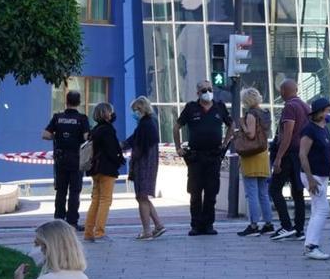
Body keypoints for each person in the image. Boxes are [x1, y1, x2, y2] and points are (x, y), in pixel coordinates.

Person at [173, 80, 233, 236]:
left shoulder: (219, 107)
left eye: (210, 89)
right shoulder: (191, 108)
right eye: (204, 89)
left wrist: (225, 142)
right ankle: (196, 225)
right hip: (195, 156)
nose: (208, 92)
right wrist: (178, 147)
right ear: (198, 93)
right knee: (195, 192)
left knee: (211, 192)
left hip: (213, 156)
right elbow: (176, 126)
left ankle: (208, 225)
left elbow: (231, 125)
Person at [269, 79, 310, 241]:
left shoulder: (290, 107)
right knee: (297, 191)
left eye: (281, 91)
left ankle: (286, 225)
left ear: (284, 91)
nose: (280, 93)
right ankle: (299, 229)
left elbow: (288, 134)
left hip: (289, 154)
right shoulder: (306, 107)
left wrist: (278, 157)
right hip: (301, 153)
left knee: (274, 188)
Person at [43, 90, 90, 231]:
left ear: (66, 101)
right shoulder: (82, 118)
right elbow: (87, 137)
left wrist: (58, 138)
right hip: (76, 159)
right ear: (79, 102)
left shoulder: (57, 117)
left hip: (61, 159)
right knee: (75, 192)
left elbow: (45, 135)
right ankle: (72, 222)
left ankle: (58, 220)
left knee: (61, 191)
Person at [236, 87, 276, 237]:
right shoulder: (266, 114)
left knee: (251, 193)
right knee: (263, 193)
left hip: (251, 155)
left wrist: (242, 124)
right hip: (263, 154)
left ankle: (253, 225)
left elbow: (251, 134)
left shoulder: (251, 114)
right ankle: (268, 223)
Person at [299, 97, 330, 259]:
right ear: (320, 113)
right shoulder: (310, 130)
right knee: (322, 208)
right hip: (313, 175)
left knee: (317, 208)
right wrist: (310, 178)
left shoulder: (324, 129)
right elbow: (302, 154)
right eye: (327, 110)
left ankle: (311, 243)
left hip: (321, 175)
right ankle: (311, 245)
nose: (329, 113)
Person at [126, 96, 166, 240]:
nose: (133, 114)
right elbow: (132, 140)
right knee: (143, 197)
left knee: (141, 197)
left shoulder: (145, 124)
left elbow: (137, 145)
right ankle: (158, 225)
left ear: (141, 109)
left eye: (135, 110)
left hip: (143, 166)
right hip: (149, 165)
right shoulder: (150, 123)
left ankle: (147, 230)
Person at [83, 102, 125, 242]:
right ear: (106, 114)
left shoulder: (95, 130)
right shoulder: (108, 129)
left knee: (95, 200)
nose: (113, 114)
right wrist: (120, 160)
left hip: (95, 169)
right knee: (105, 200)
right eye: (111, 111)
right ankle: (100, 232)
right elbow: (112, 150)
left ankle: (88, 232)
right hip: (107, 169)